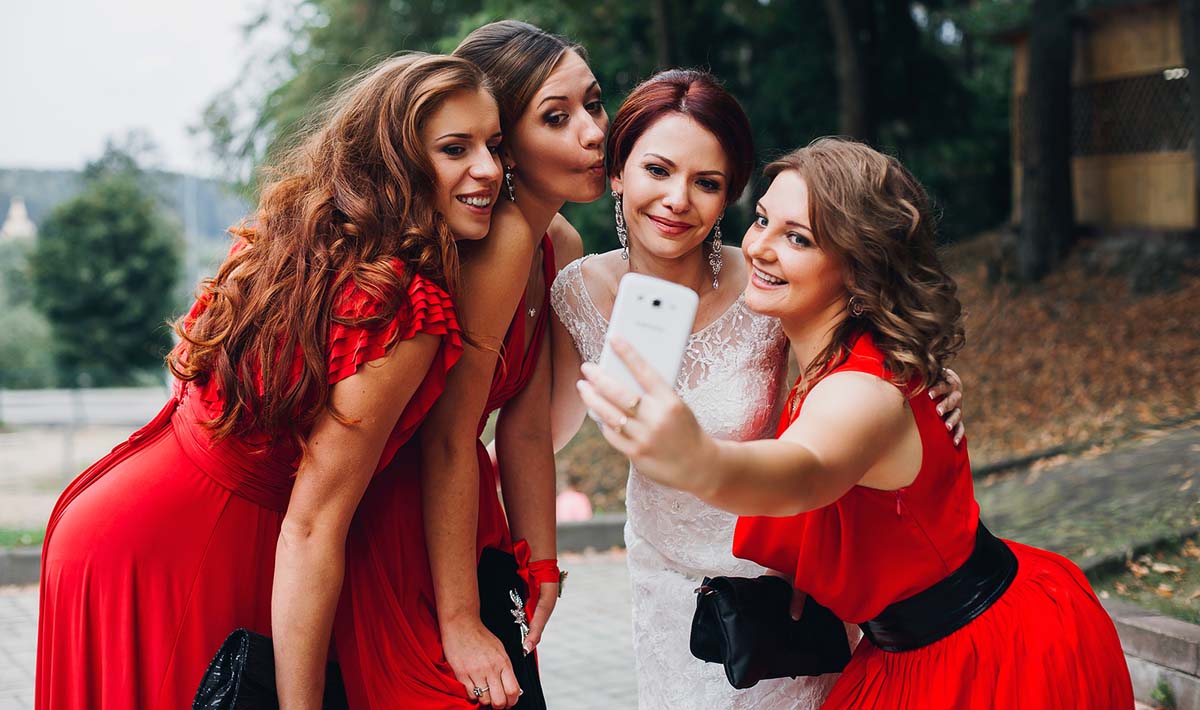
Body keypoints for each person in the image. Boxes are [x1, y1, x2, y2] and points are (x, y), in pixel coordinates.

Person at [578, 137, 1134, 708]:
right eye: (763, 219)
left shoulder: (859, 389)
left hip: (983, 656)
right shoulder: (834, 357)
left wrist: (698, 458)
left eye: (798, 238)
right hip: (904, 649)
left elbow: (804, 468)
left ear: (860, 267)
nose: (761, 248)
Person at [35, 53, 503, 710]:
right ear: (395, 159)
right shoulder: (400, 306)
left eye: (495, 146)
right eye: (456, 148)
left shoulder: (294, 237)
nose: (489, 169)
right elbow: (312, 527)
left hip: (106, 527)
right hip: (190, 556)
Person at [550, 72, 964, 709]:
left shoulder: (766, 285)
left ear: (726, 197)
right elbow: (537, 430)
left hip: (777, 581)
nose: (676, 200)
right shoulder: (575, 289)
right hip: (660, 572)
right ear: (617, 173)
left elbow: (854, 359)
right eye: (656, 170)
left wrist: (929, 379)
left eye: (707, 183)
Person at [331, 21, 609, 709]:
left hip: (470, 512)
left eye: (594, 103)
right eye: (557, 116)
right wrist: (459, 621)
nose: (594, 132)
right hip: (405, 517)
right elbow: (450, 436)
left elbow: (523, 426)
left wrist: (539, 558)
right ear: (505, 145)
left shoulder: (560, 241)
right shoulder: (506, 237)